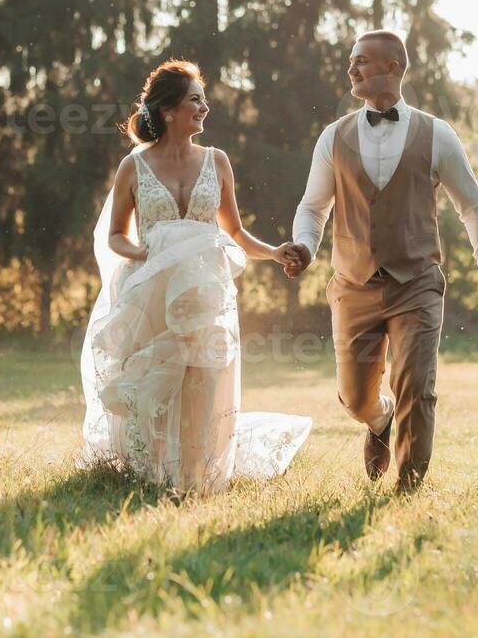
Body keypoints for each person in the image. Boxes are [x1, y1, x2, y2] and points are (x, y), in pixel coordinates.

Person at [281, 29, 478, 492]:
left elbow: (473, 208)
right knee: (355, 397)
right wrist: (304, 245)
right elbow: (312, 208)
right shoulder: (334, 136)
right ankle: (379, 422)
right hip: (353, 284)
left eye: (362, 61)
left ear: (394, 68)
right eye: (351, 61)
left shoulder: (437, 134)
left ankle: (408, 490)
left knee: (417, 387)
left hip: (417, 283)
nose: (351, 69)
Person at [79, 59, 312, 495]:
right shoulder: (134, 167)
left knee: (203, 378)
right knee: (155, 378)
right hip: (151, 288)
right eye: (195, 99)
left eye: (203, 99)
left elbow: (235, 232)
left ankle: (194, 474)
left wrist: (275, 252)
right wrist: (143, 252)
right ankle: (149, 470)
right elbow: (115, 236)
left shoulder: (217, 161)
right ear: (168, 110)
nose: (204, 107)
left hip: (205, 291)